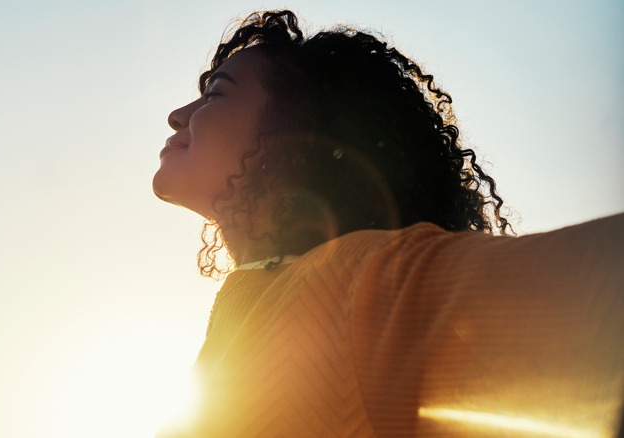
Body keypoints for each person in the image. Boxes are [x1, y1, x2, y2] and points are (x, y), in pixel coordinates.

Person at [153, 10, 624, 438]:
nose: (178, 116)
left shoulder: (364, 285)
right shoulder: (245, 317)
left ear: (299, 132)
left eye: (216, 93)